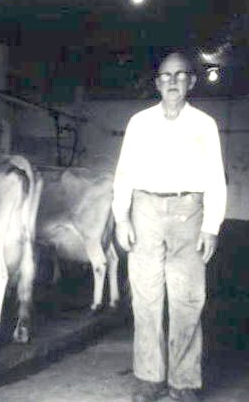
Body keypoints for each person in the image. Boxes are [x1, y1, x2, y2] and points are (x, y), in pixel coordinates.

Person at [112, 52, 227, 402]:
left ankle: (184, 383)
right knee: (145, 299)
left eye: (180, 75)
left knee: (187, 300)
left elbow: (215, 179)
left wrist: (211, 226)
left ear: (191, 82)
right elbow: (124, 174)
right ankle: (149, 378)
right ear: (157, 82)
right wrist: (121, 218)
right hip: (145, 210)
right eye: (165, 75)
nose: (172, 81)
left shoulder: (204, 124)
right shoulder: (139, 122)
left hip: (188, 213)